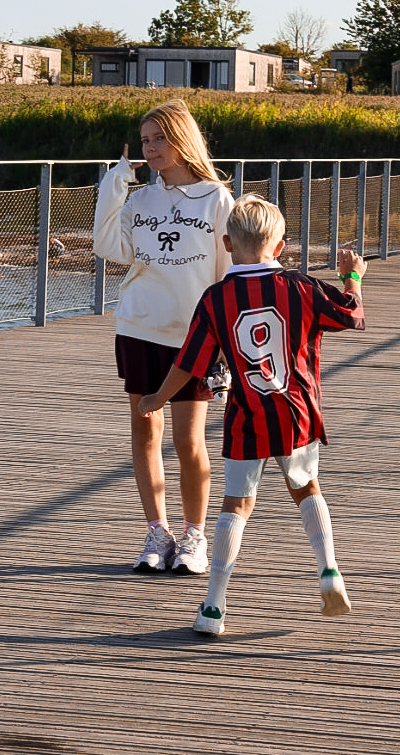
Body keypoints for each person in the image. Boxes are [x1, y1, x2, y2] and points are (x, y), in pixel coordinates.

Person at [139, 193, 365, 638]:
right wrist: (352, 276)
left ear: (226, 243)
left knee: (236, 506)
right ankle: (329, 571)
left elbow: (190, 360)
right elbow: (350, 314)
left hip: (247, 416)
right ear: (280, 247)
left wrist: (159, 397)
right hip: (296, 411)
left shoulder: (216, 297)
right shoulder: (301, 286)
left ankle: (214, 605)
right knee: (306, 488)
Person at [93, 99, 233, 575]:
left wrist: (224, 341)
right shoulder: (140, 198)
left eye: (160, 139)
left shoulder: (216, 198)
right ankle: (157, 531)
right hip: (138, 324)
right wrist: (116, 184)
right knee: (144, 429)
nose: (151, 148)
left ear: (182, 139)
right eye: (145, 140)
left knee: (189, 439)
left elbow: (227, 272)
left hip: (194, 334)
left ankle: (195, 535)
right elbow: (109, 247)